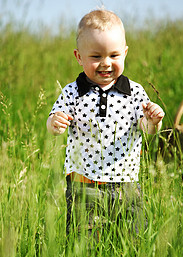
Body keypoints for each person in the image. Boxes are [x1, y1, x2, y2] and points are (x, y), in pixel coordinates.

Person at [47, 9, 165, 236]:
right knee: (84, 239)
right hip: (84, 184)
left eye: (114, 55)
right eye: (96, 56)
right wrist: (55, 123)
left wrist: (154, 121)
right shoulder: (73, 92)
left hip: (126, 184)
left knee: (131, 237)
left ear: (125, 53)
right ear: (79, 56)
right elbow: (53, 123)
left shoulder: (135, 92)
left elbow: (147, 128)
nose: (106, 63)